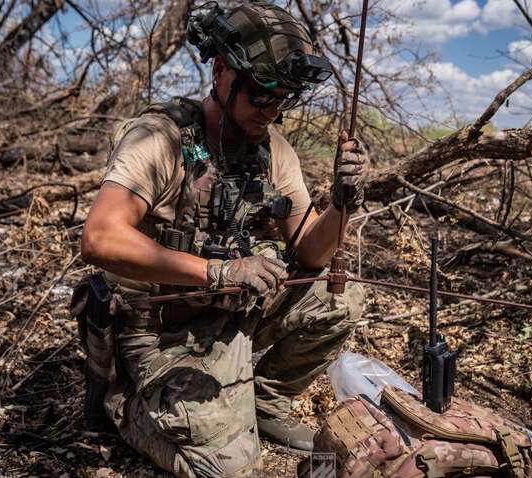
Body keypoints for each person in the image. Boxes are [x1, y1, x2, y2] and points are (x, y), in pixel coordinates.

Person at [78, 2, 367, 476]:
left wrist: (341, 202)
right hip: (157, 330)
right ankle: (123, 403)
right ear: (220, 72)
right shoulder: (160, 138)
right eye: (260, 95)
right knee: (228, 467)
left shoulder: (273, 151)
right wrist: (218, 271)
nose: (270, 112)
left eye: (283, 100)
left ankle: (265, 403)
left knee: (340, 296)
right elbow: (100, 237)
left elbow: (312, 252)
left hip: (231, 318)